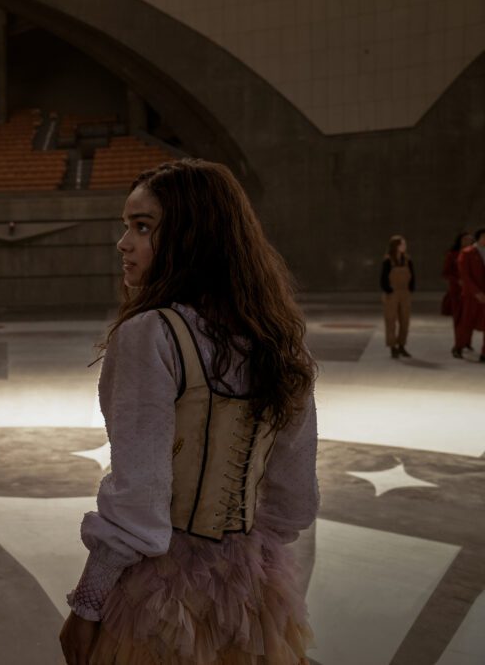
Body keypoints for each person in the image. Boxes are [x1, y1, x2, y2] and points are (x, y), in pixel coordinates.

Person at [60, 159, 319, 665]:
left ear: (191, 237)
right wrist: (244, 560)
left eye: (142, 227)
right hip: (254, 593)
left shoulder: (150, 335)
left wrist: (89, 605)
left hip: (160, 596)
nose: (124, 243)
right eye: (126, 227)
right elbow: (294, 501)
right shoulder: (277, 342)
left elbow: (139, 498)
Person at [380, 235, 415, 358]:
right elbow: (383, 278)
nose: (404, 246)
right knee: (391, 320)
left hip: (405, 293)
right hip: (392, 293)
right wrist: (388, 290)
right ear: (396, 246)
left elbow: (413, 276)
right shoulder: (388, 260)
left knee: (405, 320)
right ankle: (392, 346)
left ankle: (402, 345)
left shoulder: (407, 259)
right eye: (402, 244)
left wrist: (411, 289)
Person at [454, 228, 485, 361]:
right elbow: (465, 276)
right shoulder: (467, 253)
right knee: (467, 322)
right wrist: (476, 292)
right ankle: (459, 347)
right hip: (472, 295)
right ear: (479, 238)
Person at [443, 232, 473, 352]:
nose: (467, 242)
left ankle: (467, 342)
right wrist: (457, 281)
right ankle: (459, 344)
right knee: (459, 318)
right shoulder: (452, 255)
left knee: (470, 317)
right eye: (465, 239)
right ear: (460, 240)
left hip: (471, 291)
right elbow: (446, 272)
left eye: (470, 240)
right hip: (457, 291)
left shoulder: (474, 254)